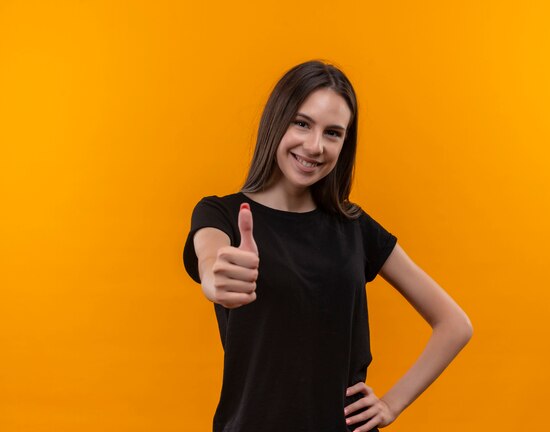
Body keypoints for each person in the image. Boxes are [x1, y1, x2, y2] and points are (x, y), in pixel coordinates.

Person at [183, 60, 473, 432]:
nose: (315, 146)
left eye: (333, 133)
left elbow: (455, 325)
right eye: (302, 123)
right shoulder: (220, 214)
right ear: (277, 120)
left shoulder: (354, 227)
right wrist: (215, 276)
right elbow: (209, 257)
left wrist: (390, 405)